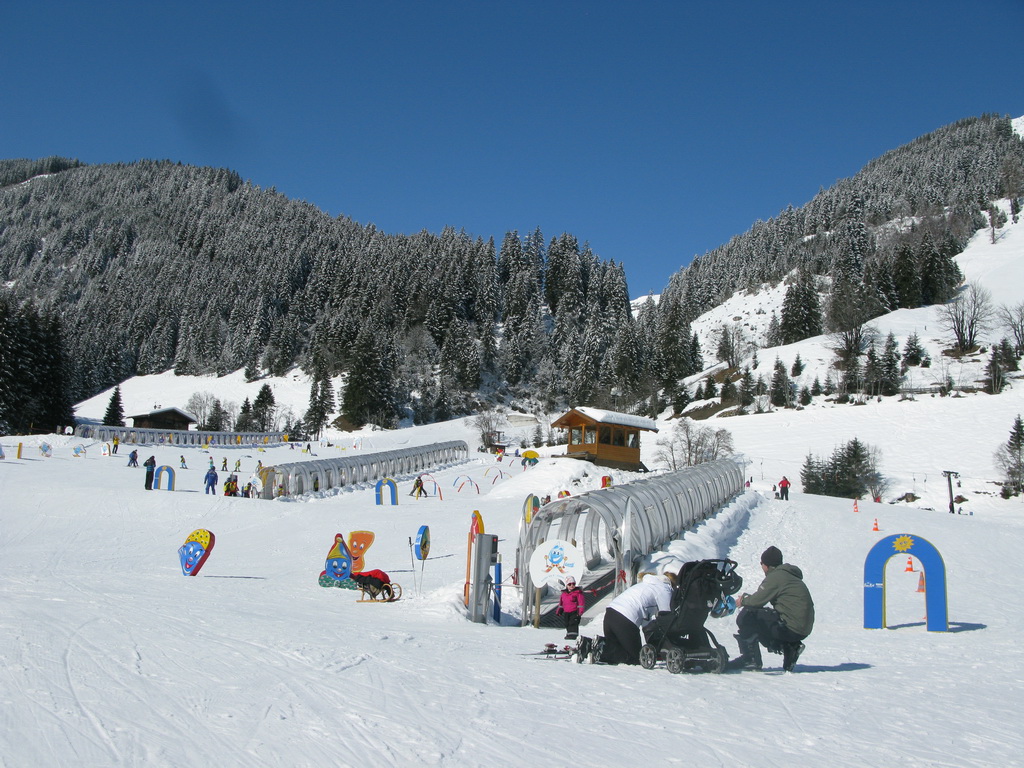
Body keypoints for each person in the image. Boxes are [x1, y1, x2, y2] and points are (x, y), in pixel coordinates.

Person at [730, 546, 814, 672]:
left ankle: (750, 660)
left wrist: (742, 600)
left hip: (791, 627)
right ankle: (790, 647)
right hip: (802, 628)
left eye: (762, 563)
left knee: (748, 615)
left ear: (766, 565)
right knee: (764, 617)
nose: (761, 566)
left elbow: (756, 601)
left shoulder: (776, 577)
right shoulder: (789, 575)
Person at [588, 572, 675, 665]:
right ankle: (601, 648)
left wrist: (653, 645)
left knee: (615, 649)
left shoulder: (646, 585)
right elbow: (667, 617)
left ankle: (588, 646)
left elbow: (647, 625)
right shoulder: (664, 589)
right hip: (625, 618)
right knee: (636, 658)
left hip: (610, 614)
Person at [556, 575, 586, 640]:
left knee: (573, 622)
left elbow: (581, 602)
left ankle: (573, 635)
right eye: (569, 584)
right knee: (567, 623)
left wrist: (580, 611)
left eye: (573, 584)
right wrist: (559, 610)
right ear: (566, 585)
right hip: (566, 612)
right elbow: (561, 603)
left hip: (574, 611)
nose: (572, 586)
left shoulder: (578, 593)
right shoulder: (564, 594)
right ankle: (569, 633)